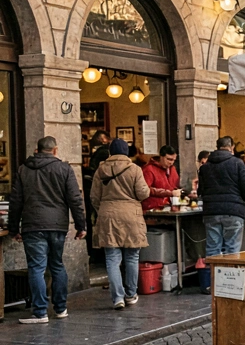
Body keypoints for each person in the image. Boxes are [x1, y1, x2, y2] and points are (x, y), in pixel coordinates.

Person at [12, 137, 87, 324]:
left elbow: (15, 202)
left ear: (37, 150)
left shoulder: (23, 170)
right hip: (57, 226)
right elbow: (75, 200)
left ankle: (40, 311)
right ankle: (61, 308)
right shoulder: (64, 169)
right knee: (57, 265)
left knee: (36, 268)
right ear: (55, 150)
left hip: (33, 225)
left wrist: (14, 228)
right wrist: (81, 226)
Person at [92, 139, 151, 310]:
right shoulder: (134, 169)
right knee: (132, 257)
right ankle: (131, 294)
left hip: (107, 215)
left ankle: (117, 297)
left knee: (112, 259)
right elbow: (142, 193)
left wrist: (103, 209)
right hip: (131, 216)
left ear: (110, 152)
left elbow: (94, 197)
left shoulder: (100, 170)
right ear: (126, 152)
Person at [197, 136, 245, 294]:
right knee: (232, 250)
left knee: (213, 249)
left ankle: (213, 285)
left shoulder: (205, 167)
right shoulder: (237, 163)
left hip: (211, 212)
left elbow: (200, 191)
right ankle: (232, 286)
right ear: (232, 147)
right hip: (233, 212)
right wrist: (242, 202)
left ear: (217, 147)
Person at [140, 144, 180, 211]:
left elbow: (176, 186)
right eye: (169, 159)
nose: (171, 163)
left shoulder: (172, 169)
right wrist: (169, 193)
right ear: (161, 157)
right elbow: (144, 190)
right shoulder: (148, 169)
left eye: (174, 160)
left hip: (169, 206)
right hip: (152, 208)